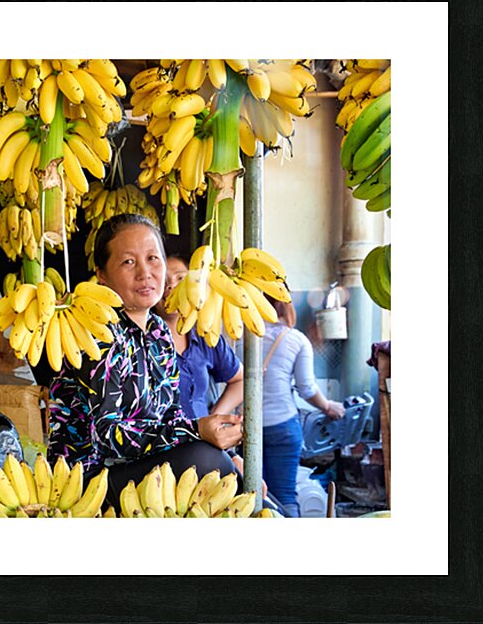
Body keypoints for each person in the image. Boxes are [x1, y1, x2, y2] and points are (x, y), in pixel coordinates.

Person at [47, 213, 244, 508]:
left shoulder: (160, 332)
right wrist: (196, 431)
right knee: (205, 459)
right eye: (128, 262)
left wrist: (211, 432)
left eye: (153, 258)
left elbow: (170, 415)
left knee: (224, 466)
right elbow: (107, 436)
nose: (145, 273)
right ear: (101, 274)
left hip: (143, 467)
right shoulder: (95, 331)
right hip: (90, 479)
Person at [225, 296, 346, 517]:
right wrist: (328, 406)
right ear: (285, 305)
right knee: (285, 495)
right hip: (283, 427)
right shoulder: (296, 339)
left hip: (245, 428)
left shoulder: (238, 338)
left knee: (251, 495)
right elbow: (306, 388)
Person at [153, 253, 244, 421]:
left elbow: (240, 380)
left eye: (180, 278)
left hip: (203, 443)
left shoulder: (205, 333)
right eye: (164, 280)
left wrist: (214, 417)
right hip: (161, 444)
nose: (171, 285)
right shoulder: (141, 341)